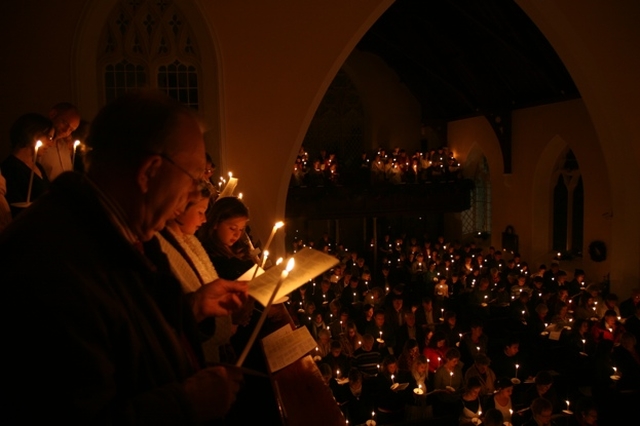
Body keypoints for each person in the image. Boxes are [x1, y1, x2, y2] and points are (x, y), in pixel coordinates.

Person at [0, 92, 249, 423]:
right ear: (149, 172)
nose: (192, 195)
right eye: (193, 179)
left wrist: (193, 307)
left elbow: (129, 332)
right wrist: (186, 405)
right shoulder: (51, 262)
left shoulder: (126, 233)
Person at [1, 113, 54, 217]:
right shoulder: (10, 169)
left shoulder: (38, 166)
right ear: (32, 134)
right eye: (49, 137)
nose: (50, 144)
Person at [38, 102, 81, 181]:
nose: (66, 131)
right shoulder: (39, 145)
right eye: (65, 123)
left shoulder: (65, 146)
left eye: (71, 129)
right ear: (53, 114)